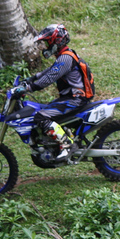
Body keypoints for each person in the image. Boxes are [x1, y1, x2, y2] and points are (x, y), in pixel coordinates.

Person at [17, 24, 95, 160]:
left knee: (41, 116)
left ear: (57, 41)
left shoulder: (66, 58)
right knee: (46, 109)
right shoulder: (64, 56)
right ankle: (66, 138)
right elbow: (48, 71)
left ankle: (66, 145)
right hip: (71, 98)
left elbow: (49, 77)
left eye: (48, 42)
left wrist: (30, 87)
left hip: (75, 99)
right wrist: (30, 79)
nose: (46, 46)